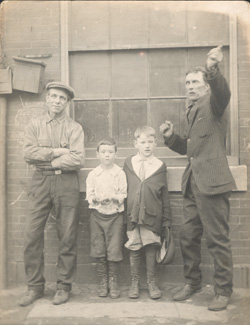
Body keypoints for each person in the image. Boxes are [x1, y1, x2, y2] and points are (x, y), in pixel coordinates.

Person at [160, 46, 236, 311]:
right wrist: (171, 137)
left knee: (217, 239)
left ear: (206, 87)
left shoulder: (215, 104)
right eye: (187, 83)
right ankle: (192, 283)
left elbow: (223, 91)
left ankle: (223, 291)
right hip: (193, 184)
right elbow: (191, 151)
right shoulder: (192, 109)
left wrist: (213, 68)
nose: (189, 86)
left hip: (213, 183)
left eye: (195, 82)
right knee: (188, 235)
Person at [20, 82, 85, 306]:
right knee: (31, 234)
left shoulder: (74, 128)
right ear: (47, 99)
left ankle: (64, 286)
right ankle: (35, 287)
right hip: (40, 181)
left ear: (67, 103)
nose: (57, 101)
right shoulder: (34, 125)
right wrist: (56, 152)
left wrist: (45, 157)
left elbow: (77, 159)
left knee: (67, 235)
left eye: (62, 99)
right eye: (54, 96)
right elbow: (28, 153)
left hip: (66, 182)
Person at [123, 126, 172, 300]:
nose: (147, 146)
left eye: (150, 142)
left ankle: (151, 282)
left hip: (152, 215)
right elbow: (124, 190)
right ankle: (135, 282)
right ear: (136, 144)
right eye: (143, 142)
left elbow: (164, 195)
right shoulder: (129, 163)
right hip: (133, 215)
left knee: (151, 246)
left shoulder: (159, 166)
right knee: (134, 246)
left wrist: (166, 220)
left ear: (155, 143)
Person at [86, 137, 127, 299]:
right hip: (97, 216)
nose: (107, 155)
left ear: (116, 154)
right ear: (97, 154)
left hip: (115, 216)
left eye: (110, 152)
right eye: (103, 152)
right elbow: (90, 195)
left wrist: (114, 197)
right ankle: (103, 281)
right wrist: (95, 199)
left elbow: (123, 194)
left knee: (114, 248)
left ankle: (113, 280)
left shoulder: (120, 173)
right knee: (99, 248)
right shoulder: (93, 174)